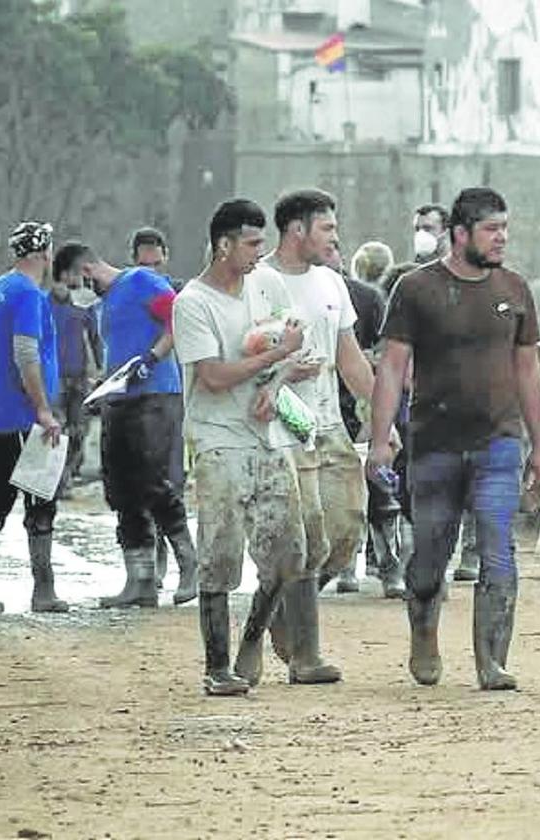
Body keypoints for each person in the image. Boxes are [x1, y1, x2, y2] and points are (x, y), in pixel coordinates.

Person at [369, 187, 540, 690]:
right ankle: (423, 630)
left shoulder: (514, 290)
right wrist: (380, 439)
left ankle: (492, 660)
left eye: (505, 229)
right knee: (430, 551)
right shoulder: (416, 289)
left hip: (499, 441)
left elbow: (529, 371)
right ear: (460, 233)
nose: (502, 239)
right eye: (492, 230)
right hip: (434, 444)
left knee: (497, 546)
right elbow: (392, 367)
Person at [171, 198, 316, 695]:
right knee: (221, 550)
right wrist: (277, 354)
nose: (260, 252)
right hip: (217, 439)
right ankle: (216, 666)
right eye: (252, 243)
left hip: (269, 435)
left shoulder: (267, 285)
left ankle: (253, 637)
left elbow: (298, 351)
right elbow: (211, 376)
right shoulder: (193, 302)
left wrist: (276, 383)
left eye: (261, 241)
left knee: (289, 552)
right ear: (223, 245)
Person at [262, 189, 373, 674]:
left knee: (347, 529)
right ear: (297, 230)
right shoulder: (258, 282)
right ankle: (306, 655)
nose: (335, 237)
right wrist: (279, 371)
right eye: (326, 228)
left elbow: (349, 356)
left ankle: (281, 607)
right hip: (281, 425)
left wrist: (381, 415)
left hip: (329, 421)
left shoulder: (331, 282)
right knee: (305, 534)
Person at [53, 241, 198, 608]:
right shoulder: (103, 305)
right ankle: (140, 580)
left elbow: (177, 321)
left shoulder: (141, 282)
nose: (75, 296)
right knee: (121, 488)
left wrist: (153, 357)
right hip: (120, 399)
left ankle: (189, 563)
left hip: (154, 396)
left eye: (73, 286)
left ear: (85, 272)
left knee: (153, 482)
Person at [0, 222, 69, 614]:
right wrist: (43, 410)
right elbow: (25, 354)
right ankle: (44, 590)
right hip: (22, 418)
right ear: (45, 253)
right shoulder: (28, 295)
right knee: (40, 502)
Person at [412, 202, 480, 582]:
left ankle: (470, 553)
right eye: (417, 226)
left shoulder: (479, 279)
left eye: (428, 227)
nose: (421, 233)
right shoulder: (410, 282)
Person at [343, 241, 408, 597]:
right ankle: (343, 565)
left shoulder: (366, 299)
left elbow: (387, 357)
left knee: (381, 484)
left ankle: (389, 564)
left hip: (364, 400)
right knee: (339, 492)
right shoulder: (292, 296)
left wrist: (380, 417)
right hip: (321, 404)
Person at [130, 225, 186, 587]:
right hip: (135, 397)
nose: (151, 269)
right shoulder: (128, 291)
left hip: (170, 394)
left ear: (165, 256)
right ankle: (150, 564)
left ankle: (173, 561)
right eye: (143, 263)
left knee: (170, 479)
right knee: (139, 482)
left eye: (156, 261)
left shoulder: (181, 295)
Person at [47, 272, 101, 491]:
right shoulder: (42, 305)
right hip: (52, 377)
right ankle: (55, 480)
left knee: (79, 429)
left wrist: (100, 369)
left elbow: (95, 338)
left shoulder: (82, 307)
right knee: (54, 428)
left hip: (79, 375)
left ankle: (70, 470)